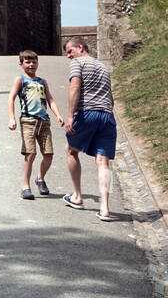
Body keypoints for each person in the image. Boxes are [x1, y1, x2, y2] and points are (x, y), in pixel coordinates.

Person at [63, 36, 117, 221]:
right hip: (107, 115)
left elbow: (75, 87)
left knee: (70, 150)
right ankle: (105, 208)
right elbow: (111, 97)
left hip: (88, 113)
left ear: (80, 47)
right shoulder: (103, 67)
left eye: (70, 51)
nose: (69, 56)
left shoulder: (78, 63)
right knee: (103, 162)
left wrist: (71, 115)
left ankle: (77, 196)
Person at [7, 50, 66, 199]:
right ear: (21, 64)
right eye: (27, 62)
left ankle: (40, 178)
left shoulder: (42, 81)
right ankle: (25, 186)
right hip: (28, 120)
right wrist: (12, 118)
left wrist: (58, 114)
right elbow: (11, 98)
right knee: (30, 153)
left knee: (49, 154)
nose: (31, 65)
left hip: (44, 121)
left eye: (34, 62)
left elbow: (50, 100)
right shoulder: (20, 80)